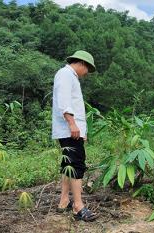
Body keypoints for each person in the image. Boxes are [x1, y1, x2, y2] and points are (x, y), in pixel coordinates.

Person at [52, 50, 98, 221]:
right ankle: (78, 206)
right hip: (69, 129)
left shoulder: (70, 76)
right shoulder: (65, 74)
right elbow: (64, 101)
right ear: (82, 64)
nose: (86, 74)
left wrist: (81, 129)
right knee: (77, 165)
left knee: (68, 164)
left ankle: (64, 201)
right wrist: (72, 124)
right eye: (87, 70)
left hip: (71, 129)